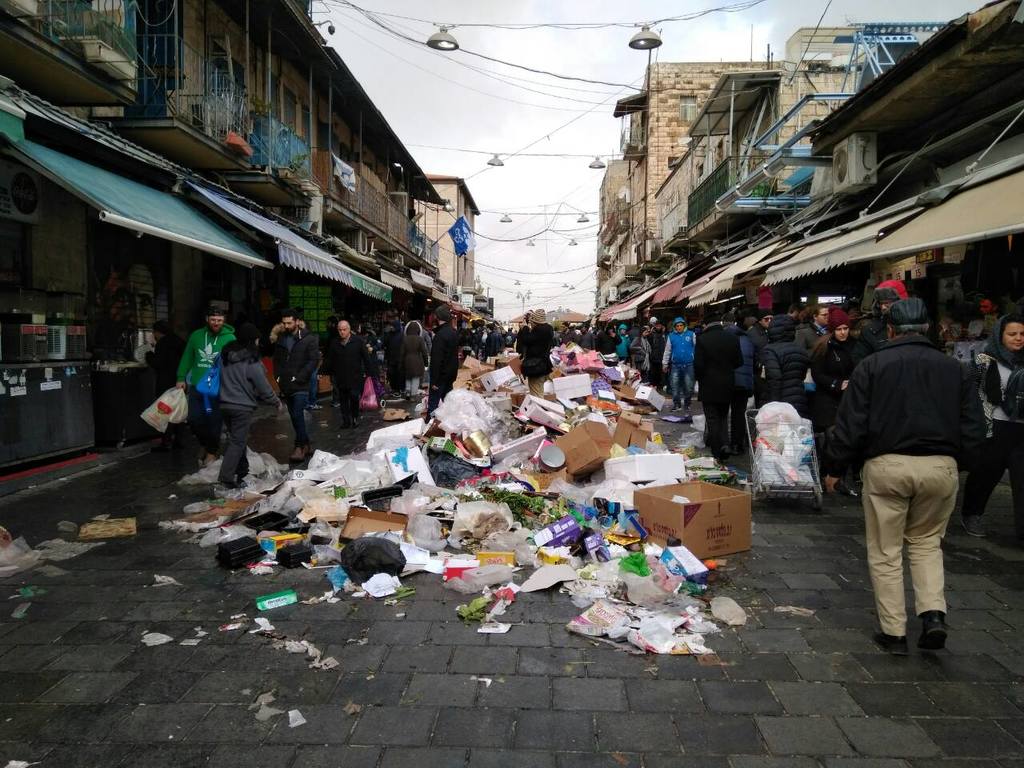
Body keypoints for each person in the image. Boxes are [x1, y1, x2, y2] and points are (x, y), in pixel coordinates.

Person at [825, 298, 985, 653]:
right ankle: (932, 615)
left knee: (886, 550)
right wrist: (960, 464)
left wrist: (835, 468)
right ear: (927, 328)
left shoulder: (871, 366)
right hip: (940, 466)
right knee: (927, 544)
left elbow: (851, 424)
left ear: (891, 330)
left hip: (887, 466)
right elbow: (974, 425)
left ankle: (894, 632)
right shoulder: (954, 369)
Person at [960, 313, 1024, 539]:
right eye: (1012, 334)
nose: (1018, 338)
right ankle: (972, 513)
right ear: (1000, 335)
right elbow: (972, 394)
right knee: (985, 474)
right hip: (994, 427)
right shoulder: (985, 361)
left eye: (1022, 334)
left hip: (1021, 429)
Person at [217, 323, 282, 488]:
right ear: (253, 340)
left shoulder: (225, 356)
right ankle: (225, 478)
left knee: (237, 439)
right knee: (238, 442)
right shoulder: (251, 360)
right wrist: (275, 401)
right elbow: (263, 386)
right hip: (241, 407)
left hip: (224, 404)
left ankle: (242, 472)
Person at [176, 307, 236, 466]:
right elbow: (187, 357)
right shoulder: (196, 336)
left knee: (214, 420)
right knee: (194, 419)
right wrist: (181, 377)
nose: (216, 323)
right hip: (196, 384)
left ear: (224, 321)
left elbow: (233, 364)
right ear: (207, 319)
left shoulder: (230, 338)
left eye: (220, 320)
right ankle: (205, 443)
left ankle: (212, 450)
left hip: (218, 386)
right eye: (213, 320)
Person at [694, 313, 743, 461]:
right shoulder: (733, 338)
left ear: (706, 325)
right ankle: (725, 444)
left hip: (708, 385)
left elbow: (698, 365)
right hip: (727, 384)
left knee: (712, 418)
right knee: (723, 416)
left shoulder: (702, 340)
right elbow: (739, 362)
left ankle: (717, 450)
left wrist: (699, 378)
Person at [272, 308, 319, 462]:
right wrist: (278, 377)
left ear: (297, 322)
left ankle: (299, 446)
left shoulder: (309, 338)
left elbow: (313, 360)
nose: (286, 326)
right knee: (293, 416)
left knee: (298, 413)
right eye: (284, 323)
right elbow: (277, 360)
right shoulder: (281, 339)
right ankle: (306, 443)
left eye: (289, 322)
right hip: (286, 383)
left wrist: (300, 377)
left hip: (301, 384)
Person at [325, 320, 372, 429]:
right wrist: (324, 372)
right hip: (341, 376)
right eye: (340, 330)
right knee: (343, 399)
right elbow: (330, 359)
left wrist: (369, 373)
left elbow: (366, 357)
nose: (342, 332)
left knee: (354, 397)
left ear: (349, 329)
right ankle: (346, 420)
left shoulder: (358, 341)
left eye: (344, 330)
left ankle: (355, 417)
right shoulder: (335, 343)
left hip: (355, 375)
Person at [147, 320, 186, 451]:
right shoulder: (180, 341)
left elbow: (158, 363)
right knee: (178, 412)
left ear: (158, 332)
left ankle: (166, 441)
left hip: (165, 383)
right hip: (180, 382)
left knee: (165, 411)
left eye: (154, 332)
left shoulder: (162, 344)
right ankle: (179, 440)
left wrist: (148, 355)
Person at [761, 313, 810, 417]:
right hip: (799, 399)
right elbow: (802, 375)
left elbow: (774, 378)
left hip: (781, 402)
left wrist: (773, 404)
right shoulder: (800, 350)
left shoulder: (770, 350)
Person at [853, 280, 908, 364]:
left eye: (887, 303)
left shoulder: (915, 327)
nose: (883, 307)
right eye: (881, 303)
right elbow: (859, 361)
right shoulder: (870, 331)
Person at [724, 311, 754, 455]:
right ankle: (737, 444)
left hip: (728, 381)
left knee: (722, 412)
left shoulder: (725, 339)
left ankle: (723, 444)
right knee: (739, 414)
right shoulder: (747, 339)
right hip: (744, 383)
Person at [427, 305, 459, 416]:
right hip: (450, 375)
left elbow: (436, 360)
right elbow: (454, 357)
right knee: (449, 405)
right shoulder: (454, 333)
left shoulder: (440, 336)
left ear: (438, 317)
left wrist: (435, 381)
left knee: (433, 406)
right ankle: (448, 427)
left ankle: (428, 427)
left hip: (440, 377)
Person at [662, 317, 696, 417]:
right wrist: (665, 363)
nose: (679, 327)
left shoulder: (691, 334)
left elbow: (697, 348)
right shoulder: (671, 336)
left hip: (689, 364)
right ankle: (677, 404)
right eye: (677, 326)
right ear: (675, 327)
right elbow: (667, 351)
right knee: (674, 386)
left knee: (689, 386)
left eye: (681, 325)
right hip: (675, 365)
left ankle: (687, 403)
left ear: (684, 326)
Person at [520, 309, 555, 397]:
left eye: (531, 322)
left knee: (536, 394)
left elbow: (526, 340)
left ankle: (539, 410)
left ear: (535, 323)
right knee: (539, 390)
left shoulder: (539, 331)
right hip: (543, 365)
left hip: (536, 367)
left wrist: (524, 328)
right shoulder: (548, 329)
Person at [401, 320, 429, 402]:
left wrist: (401, 363)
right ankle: (413, 395)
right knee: (415, 378)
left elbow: (401, 353)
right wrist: (426, 363)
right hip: (417, 361)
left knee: (408, 377)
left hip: (407, 360)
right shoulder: (420, 339)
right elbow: (424, 352)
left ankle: (408, 392)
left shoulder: (405, 339)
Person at [384, 319, 405, 395]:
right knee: (391, 374)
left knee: (398, 374)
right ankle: (394, 388)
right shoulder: (389, 334)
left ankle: (399, 389)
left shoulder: (402, 335)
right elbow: (385, 343)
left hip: (399, 358)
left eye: (393, 326)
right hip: (391, 358)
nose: (391, 327)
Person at [647, 320, 666, 391]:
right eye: (657, 325)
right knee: (654, 372)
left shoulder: (664, 334)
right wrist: (650, 333)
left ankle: (660, 385)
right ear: (655, 326)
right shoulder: (652, 334)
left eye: (659, 325)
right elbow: (649, 343)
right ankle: (654, 385)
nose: (658, 327)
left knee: (661, 373)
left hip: (662, 356)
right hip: (654, 357)